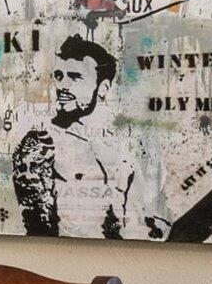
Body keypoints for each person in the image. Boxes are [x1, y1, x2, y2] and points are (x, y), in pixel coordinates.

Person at [10, 35, 133, 237]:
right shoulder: (42, 143)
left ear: (102, 88)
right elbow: (37, 226)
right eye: (59, 76)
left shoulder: (120, 150)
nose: (62, 86)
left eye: (75, 77)